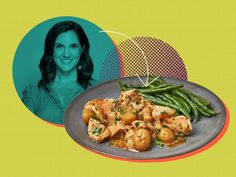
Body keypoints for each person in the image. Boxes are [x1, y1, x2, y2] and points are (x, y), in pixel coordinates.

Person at [22, 21, 100, 124]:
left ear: (82, 49)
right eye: (59, 46)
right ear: (51, 49)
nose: (66, 54)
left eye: (73, 46)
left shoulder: (99, 90)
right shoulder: (33, 92)